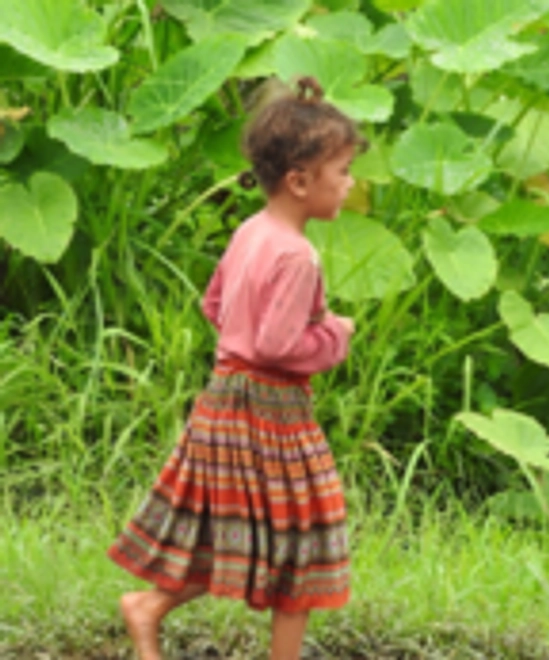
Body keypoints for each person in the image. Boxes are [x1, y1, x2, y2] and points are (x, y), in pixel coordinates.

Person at [107, 76, 363, 660]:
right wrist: (333, 334)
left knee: (237, 534)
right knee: (306, 536)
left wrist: (244, 344)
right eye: (343, 171)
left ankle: (148, 607)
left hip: (224, 399)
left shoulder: (251, 231)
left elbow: (214, 305)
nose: (350, 185)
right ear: (300, 180)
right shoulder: (298, 255)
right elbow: (277, 345)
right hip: (271, 413)